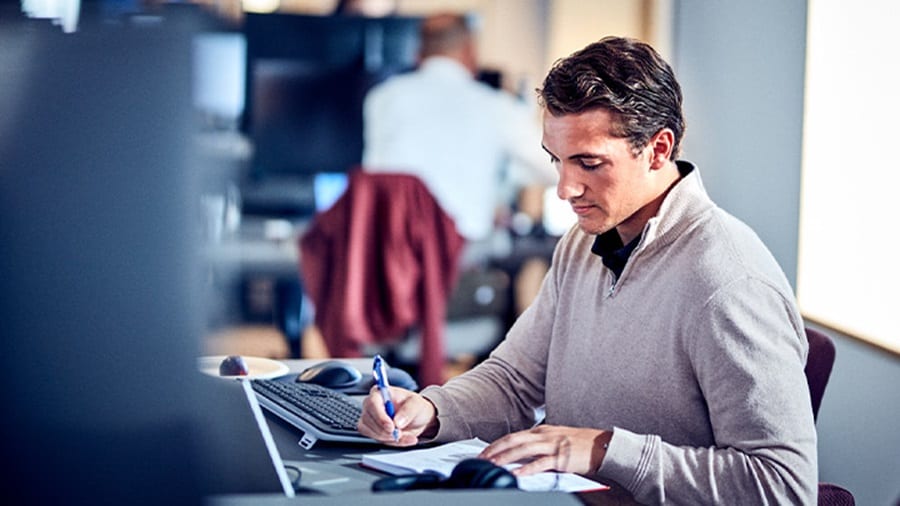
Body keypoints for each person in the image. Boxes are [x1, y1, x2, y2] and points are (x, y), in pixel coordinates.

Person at [357, 36, 818, 504]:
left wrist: (603, 451)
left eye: (590, 163)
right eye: (556, 161)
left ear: (659, 150)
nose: (564, 189)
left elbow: (782, 485)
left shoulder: (729, 282)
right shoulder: (583, 243)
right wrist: (432, 409)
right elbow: (513, 382)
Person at [362, 12, 556, 261]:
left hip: (391, 254)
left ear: (418, 52)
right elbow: (552, 166)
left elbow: (375, 171)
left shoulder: (382, 98)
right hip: (462, 257)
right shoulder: (496, 106)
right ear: (469, 51)